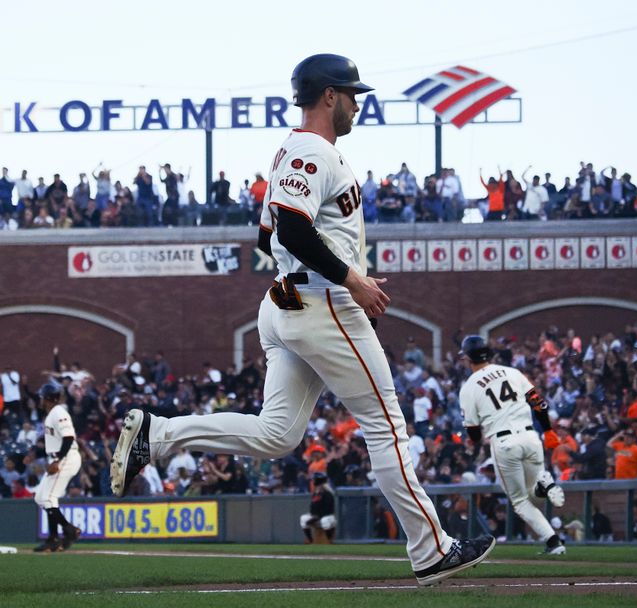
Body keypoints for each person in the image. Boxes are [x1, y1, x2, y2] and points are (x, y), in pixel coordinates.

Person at [111, 53, 494, 586]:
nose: (357, 104)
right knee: (386, 426)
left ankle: (160, 434)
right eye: (351, 93)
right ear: (329, 96)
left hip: (288, 305)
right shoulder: (313, 149)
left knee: (277, 434)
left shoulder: (291, 149)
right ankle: (432, 550)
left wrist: (330, 268)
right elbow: (287, 232)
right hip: (322, 304)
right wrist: (352, 279)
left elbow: (265, 236)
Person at [457, 335, 566, 555]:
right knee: (532, 494)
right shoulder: (512, 372)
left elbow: (474, 433)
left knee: (519, 501)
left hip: (504, 441)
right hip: (530, 436)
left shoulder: (469, 387)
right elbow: (539, 403)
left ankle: (553, 541)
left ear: (468, 358)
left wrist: (473, 438)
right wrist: (548, 430)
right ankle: (554, 541)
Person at [34, 383, 82, 553]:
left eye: (42, 396)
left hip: (66, 458)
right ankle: (55, 537)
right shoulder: (52, 414)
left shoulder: (59, 412)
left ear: (48, 398)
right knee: (41, 497)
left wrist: (57, 461)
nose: (40, 399)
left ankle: (67, 531)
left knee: (48, 498)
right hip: (59, 457)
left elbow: (68, 438)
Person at [300, 471, 336, 543]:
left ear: (318, 480)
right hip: (317, 516)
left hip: (328, 516)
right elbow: (312, 507)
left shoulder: (327, 492)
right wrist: (312, 516)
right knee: (303, 518)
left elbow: (328, 509)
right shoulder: (316, 492)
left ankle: (329, 541)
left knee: (324, 521)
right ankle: (310, 541)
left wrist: (317, 517)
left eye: (314, 479)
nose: (313, 480)